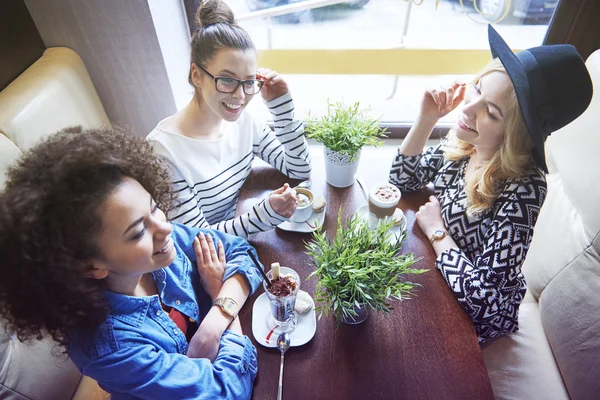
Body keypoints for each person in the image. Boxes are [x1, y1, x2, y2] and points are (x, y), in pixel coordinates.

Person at [0, 127, 264, 399]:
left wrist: (215, 320)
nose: (165, 228)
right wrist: (219, 289)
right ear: (91, 267)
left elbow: (242, 253)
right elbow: (226, 391)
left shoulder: (159, 243)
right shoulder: (111, 348)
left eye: (153, 207)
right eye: (138, 232)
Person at [389, 25, 593, 343]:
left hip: (470, 322)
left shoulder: (524, 190)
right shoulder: (468, 146)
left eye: (491, 112)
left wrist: (437, 232)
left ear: (515, 134)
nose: (468, 109)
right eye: (477, 89)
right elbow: (400, 181)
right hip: (437, 275)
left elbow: (486, 302)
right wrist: (426, 118)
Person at [147, 0, 311, 240]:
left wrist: (282, 106)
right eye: (227, 79)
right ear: (196, 75)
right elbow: (198, 238)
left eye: (248, 82)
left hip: (240, 240)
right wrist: (266, 213)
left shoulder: (245, 123)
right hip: (207, 259)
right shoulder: (163, 152)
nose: (240, 95)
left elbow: (299, 168)